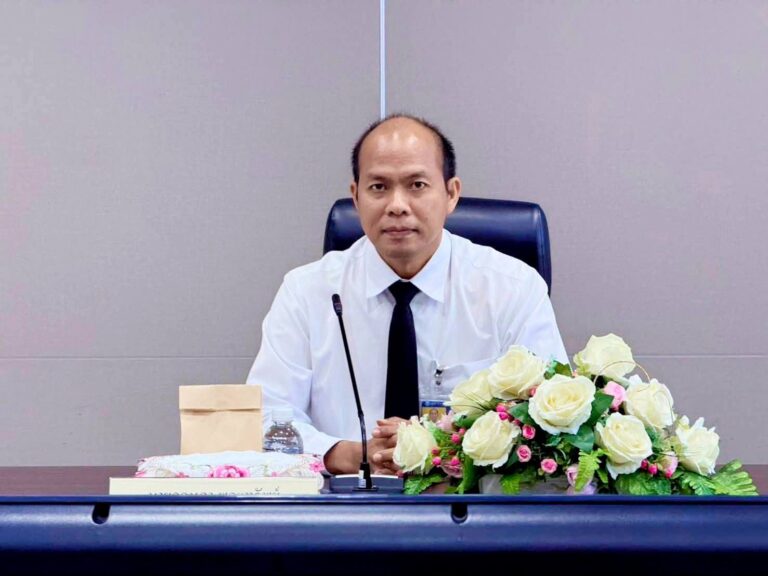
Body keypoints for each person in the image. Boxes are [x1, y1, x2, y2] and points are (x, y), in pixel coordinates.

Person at [246, 114, 567, 475]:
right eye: (378, 187)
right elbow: (264, 420)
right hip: (341, 499)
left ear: (451, 194)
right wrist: (353, 455)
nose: (397, 205)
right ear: (355, 197)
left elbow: (551, 424)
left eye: (416, 185)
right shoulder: (306, 292)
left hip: (469, 501)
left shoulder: (512, 288)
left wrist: (445, 449)